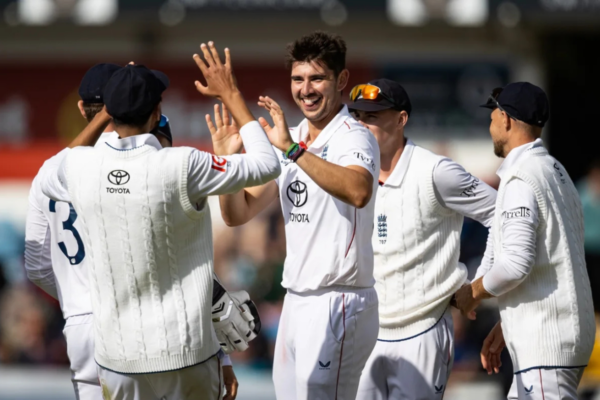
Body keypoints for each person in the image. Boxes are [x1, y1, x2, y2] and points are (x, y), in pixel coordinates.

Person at [39, 43, 285, 400]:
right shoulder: (183, 163)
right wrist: (231, 94)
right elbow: (267, 164)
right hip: (186, 355)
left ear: (109, 113)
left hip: (117, 361)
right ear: (157, 113)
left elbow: (50, 173)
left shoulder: (79, 166)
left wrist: (106, 112)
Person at [214, 31, 380, 400]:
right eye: (298, 79)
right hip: (295, 300)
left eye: (317, 78)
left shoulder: (353, 135)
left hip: (338, 300)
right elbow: (237, 213)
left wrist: (292, 150)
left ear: (342, 79)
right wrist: (227, 165)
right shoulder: (289, 138)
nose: (306, 90)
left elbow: (359, 191)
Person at [349, 79, 497, 400]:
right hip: (364, 331)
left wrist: (480, 285)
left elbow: (506, 215)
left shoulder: (436, 171)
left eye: (372, 116)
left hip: (423, 330)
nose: (361, 124)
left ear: (401, 119)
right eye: (357, 116)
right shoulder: (351, 175)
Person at [454, 82, 595, 399]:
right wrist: (508, 323)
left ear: (505, 119)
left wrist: (471, 294)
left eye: (492, 116)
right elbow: (551, 257)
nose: (490, 124)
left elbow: (516, 264)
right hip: (554, 336)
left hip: (546, 342)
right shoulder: (555, 171)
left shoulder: (522, 176)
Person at [25, 62, 121, 399]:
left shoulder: (49, 170)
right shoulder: (141, 161)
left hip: (79, 323)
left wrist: (74, 295)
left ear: (82, 108)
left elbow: (37, 267)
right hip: (130, 318)